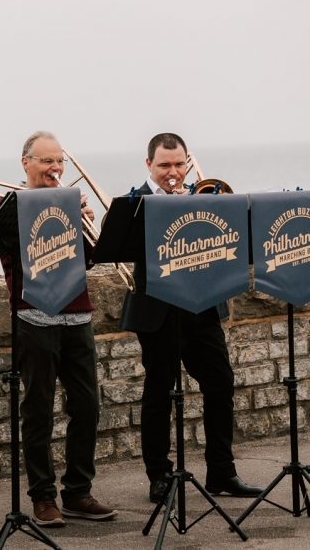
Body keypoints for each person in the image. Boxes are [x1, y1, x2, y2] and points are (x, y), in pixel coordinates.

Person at [121, 132, 262, 503]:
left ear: (188, 162)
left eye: (179, 164)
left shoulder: (204, 197)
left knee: (221, 383)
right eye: (165, 165)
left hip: (202, 309)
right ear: (149, 164)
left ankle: (222, 471)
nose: (173, 172)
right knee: (160, 392)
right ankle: (160, 475)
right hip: (158, 311)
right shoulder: (136, 203)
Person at [0, 131, 116, 527]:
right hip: (33, 317)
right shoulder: (11, 204)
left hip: (77, 314)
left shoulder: (69, 202)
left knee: (87, 406)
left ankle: (78, 492)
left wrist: (85, 223)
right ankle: (43, 497)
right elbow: (0, 251)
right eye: (47, 161)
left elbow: (88, 263)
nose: (55, 169)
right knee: (38, 411)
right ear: (25, 162)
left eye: (59, 162)